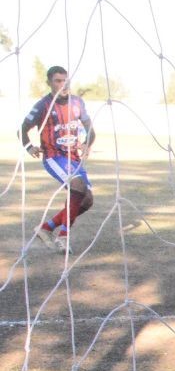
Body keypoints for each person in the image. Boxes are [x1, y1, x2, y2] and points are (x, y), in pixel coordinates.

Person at [21, 65, 95, 252]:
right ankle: (63, 236)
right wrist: (29, 146)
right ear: (49, 83)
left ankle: (46, 228)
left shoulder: (77, 103)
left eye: (65, 80)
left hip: (74, 158)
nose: (63, 85)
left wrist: (87, 143)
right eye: (58, 81)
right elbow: (22, 128)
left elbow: (90, 130)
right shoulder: (42, 105)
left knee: (87, 201)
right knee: (77, 186)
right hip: (54, 157)